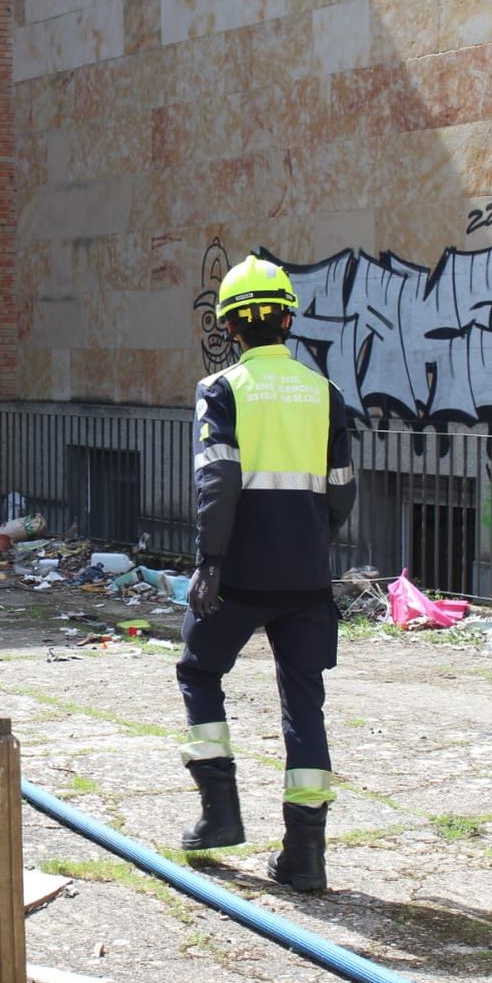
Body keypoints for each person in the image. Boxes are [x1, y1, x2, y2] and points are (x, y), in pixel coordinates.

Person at [177, 255, 356, 892]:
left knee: (199, 672)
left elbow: (217, 481)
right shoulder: (324, 393)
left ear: (230, 327)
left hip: (241, 574)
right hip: (306, 576)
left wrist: (210, 563)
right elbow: (342, 489)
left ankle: (219, 812)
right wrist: (310, 538)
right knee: (304, 701)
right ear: (288, 321)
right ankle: (305, 855)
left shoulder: (221, 390)